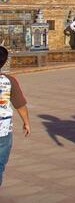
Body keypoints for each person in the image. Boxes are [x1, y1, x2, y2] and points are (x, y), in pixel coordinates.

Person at [0, 46, 29, 187]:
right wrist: (26, 122)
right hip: (3, 130)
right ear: (4, 62)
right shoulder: (9, 81)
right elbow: (20, 104)